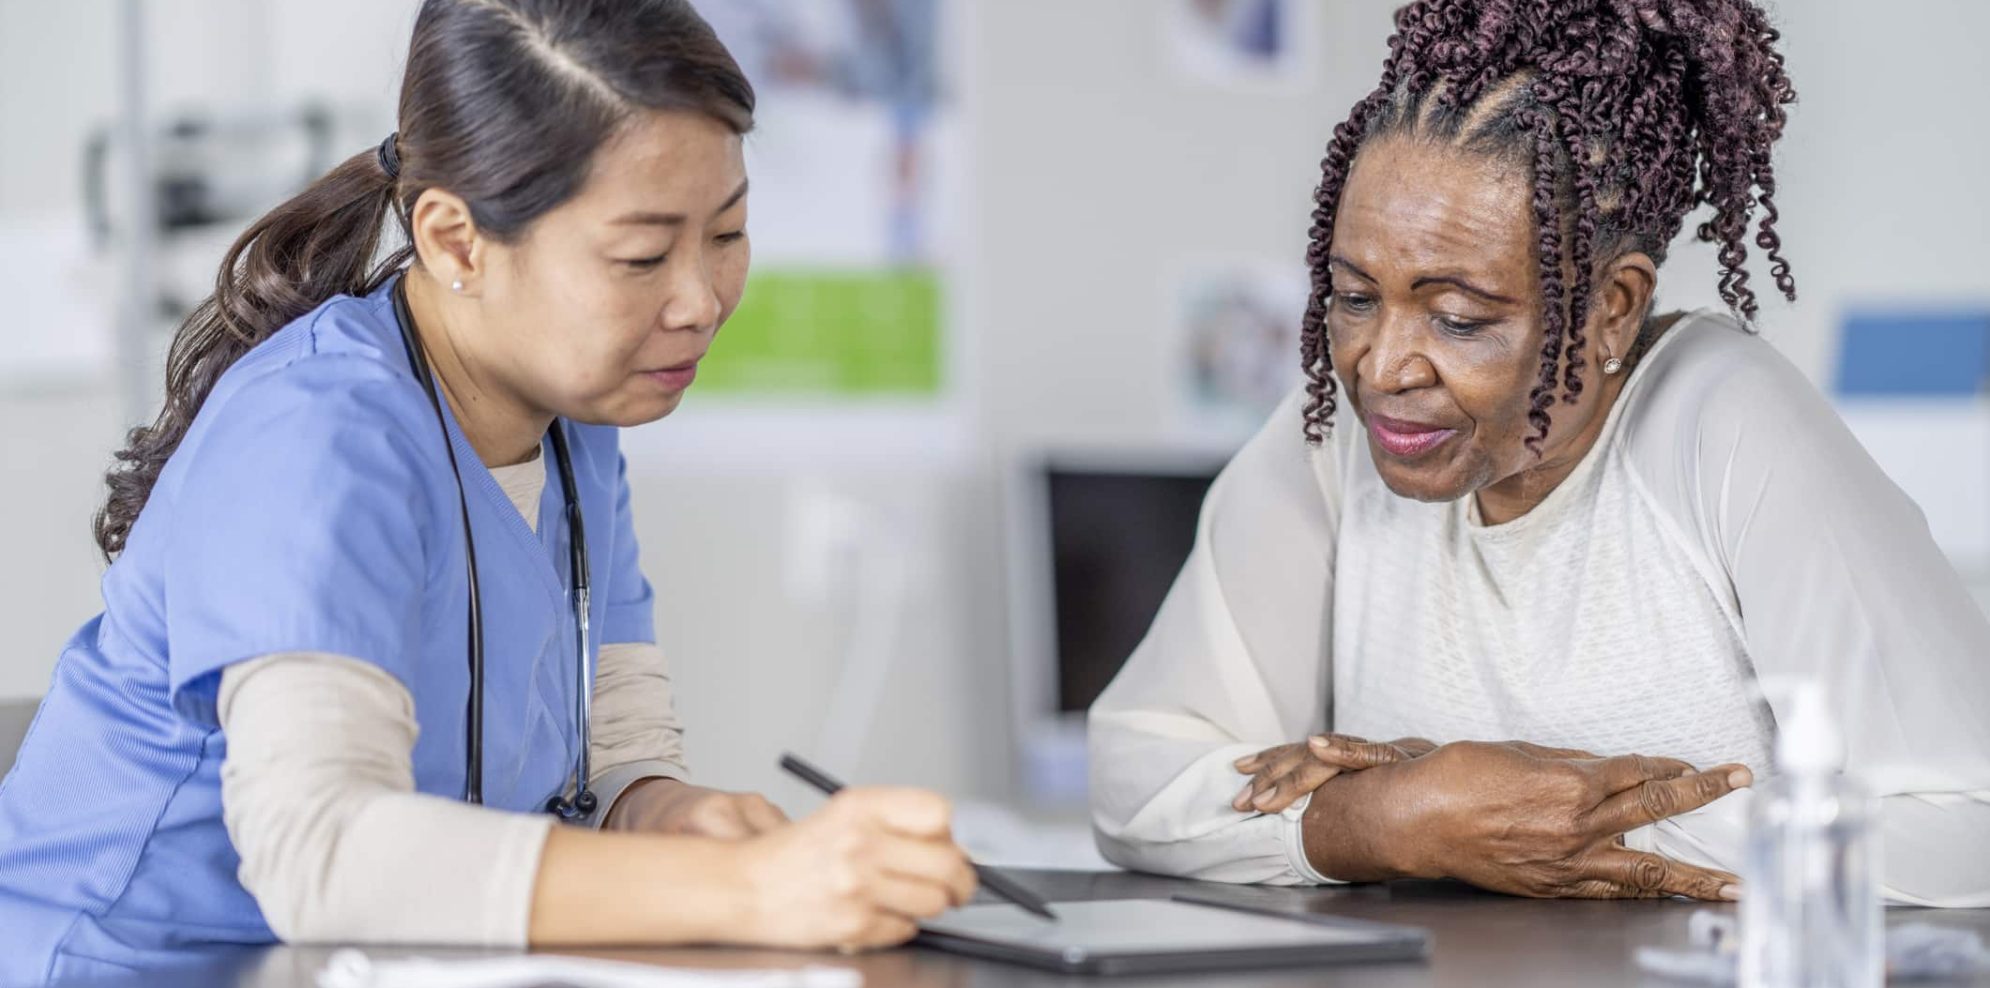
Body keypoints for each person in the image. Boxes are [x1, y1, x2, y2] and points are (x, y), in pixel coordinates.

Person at [0, 2, 974, 983]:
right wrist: (756, 892)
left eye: (726, 233)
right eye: (642, 256)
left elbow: (615, 751)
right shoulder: (317, 433)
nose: (701, 299)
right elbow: (320, 853)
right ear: (456, 241)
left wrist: (673, 814)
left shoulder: (577, 420)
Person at [1090, 0, 1990, 908]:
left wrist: (1510, 818)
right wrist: (1383, 818)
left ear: (1612, 307)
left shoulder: (1730, 424)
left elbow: (1966, 823)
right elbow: (1135, 778)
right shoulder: (1336, 441)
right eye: (1355, 297)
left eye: (1458, 318)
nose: (1383, 365)